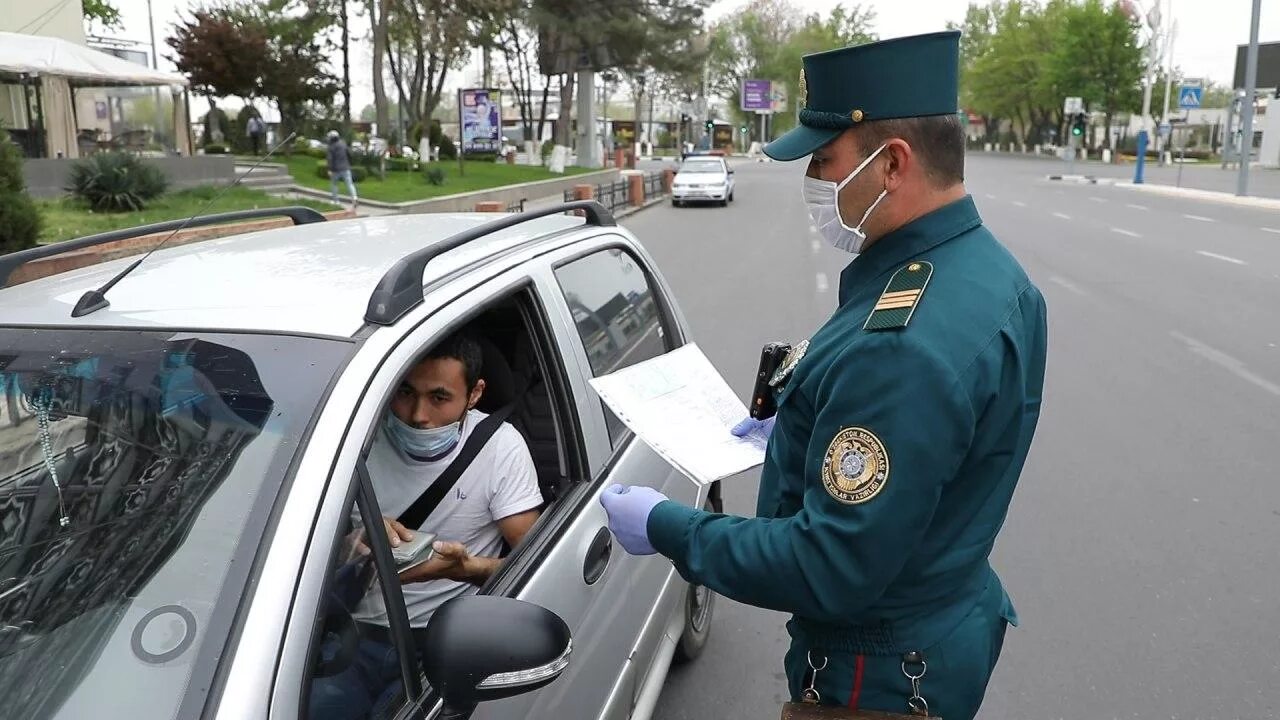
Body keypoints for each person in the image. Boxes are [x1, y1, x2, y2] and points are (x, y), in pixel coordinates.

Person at [598, 31, 1048, 720]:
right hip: (939, 621)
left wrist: (667, 527)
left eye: (826, 160)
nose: (813, 180)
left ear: (893, 162)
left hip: (878, 675)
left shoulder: (901, 345)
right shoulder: (987, 273)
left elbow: (827, 564)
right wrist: (804, 422)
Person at [310, 332, 543, 720]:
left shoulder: (500, 449)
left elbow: (534, 567)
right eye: (405, 392)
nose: (418, 415)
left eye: (439, 397)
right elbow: (303, 549)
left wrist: (465, 569)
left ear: (474, 394)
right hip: (347, 635)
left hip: (442, 644)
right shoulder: (355, 443)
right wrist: (354, 541)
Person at [326, 130, 358, 208]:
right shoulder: (343, 144)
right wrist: (349, 163)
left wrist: (329, 169)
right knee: (350, 184)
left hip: (335, 169)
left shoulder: (331, 147)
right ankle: (354, 198)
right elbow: (350, 154)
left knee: (334, 184)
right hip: (346, 167)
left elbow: (330, 159)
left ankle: (335, 201)